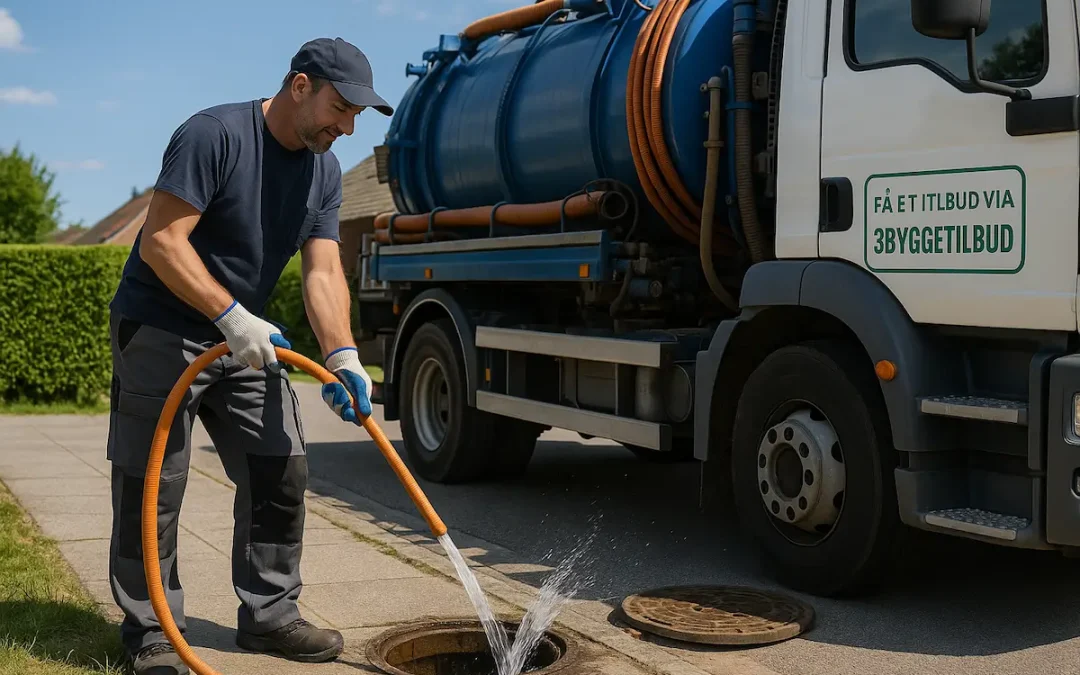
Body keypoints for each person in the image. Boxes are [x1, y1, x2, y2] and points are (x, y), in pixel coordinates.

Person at [105, 37, 393, 675]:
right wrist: (231, 316)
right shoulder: (214, 136)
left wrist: (343, 355)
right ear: (299, 86)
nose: (346, 129)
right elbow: (161, 242)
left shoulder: (322, 171)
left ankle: (270, 617)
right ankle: (153, 632)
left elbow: (323, 271)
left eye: (355, 117)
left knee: (280, 467)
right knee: (153, 484)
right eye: (340, 109)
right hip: (161, 328)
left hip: (245, 338)